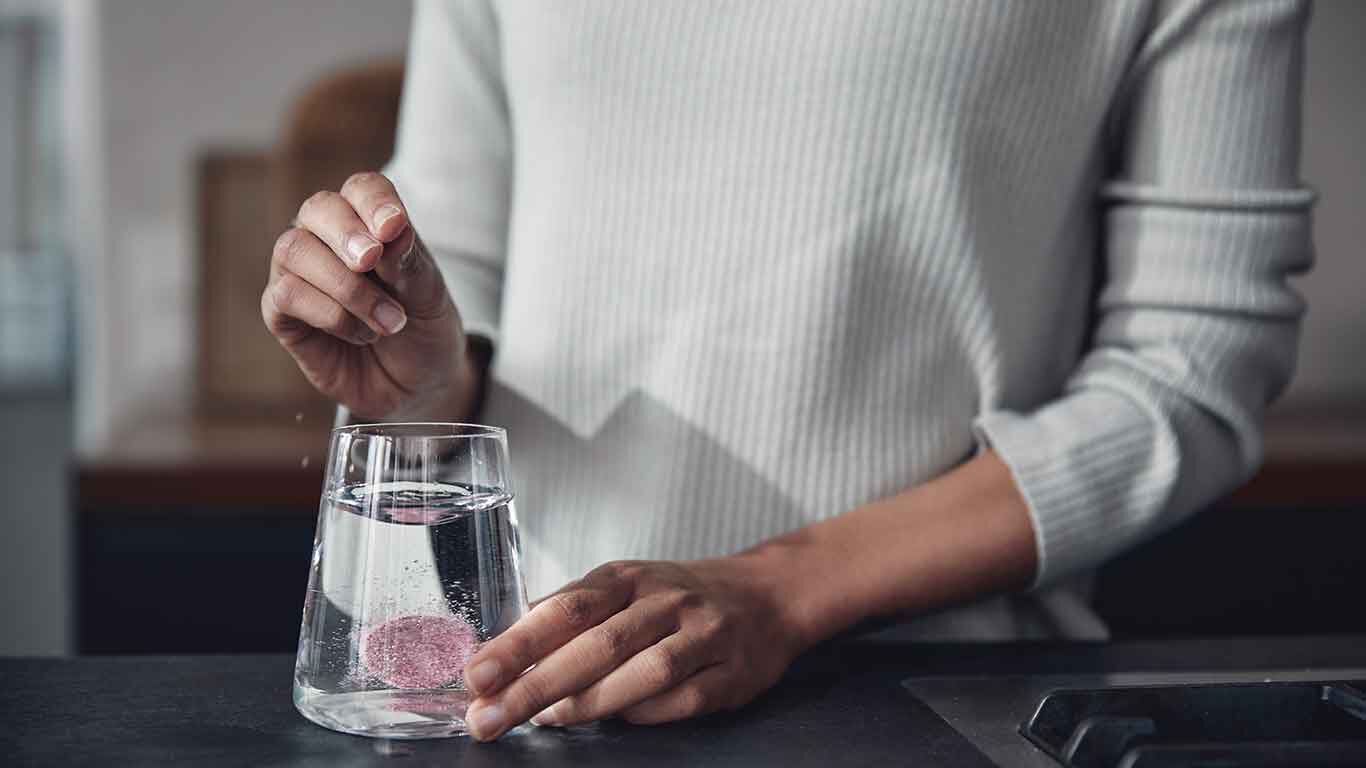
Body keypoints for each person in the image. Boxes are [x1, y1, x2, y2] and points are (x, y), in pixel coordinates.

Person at [261, 0, 1314, 741]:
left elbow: (1194, 368)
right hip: (540, 691)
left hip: (938, 698)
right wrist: (422, 369)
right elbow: (466, 308)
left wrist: (778, 588)